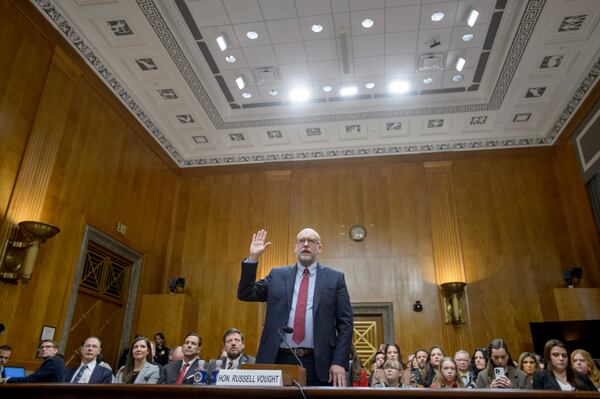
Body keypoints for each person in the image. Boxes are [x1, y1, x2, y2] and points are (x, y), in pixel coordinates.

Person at [237, 228, 353, 386]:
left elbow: (345, 324)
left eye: (311, 241)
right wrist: (252, 258)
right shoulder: (277, 275)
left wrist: (339, 361)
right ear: (295, 247)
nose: (305, 244)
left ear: (319, 248)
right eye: (301, 241)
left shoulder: (335, 278)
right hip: (277, 358)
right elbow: (246, 293)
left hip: (319, 362)